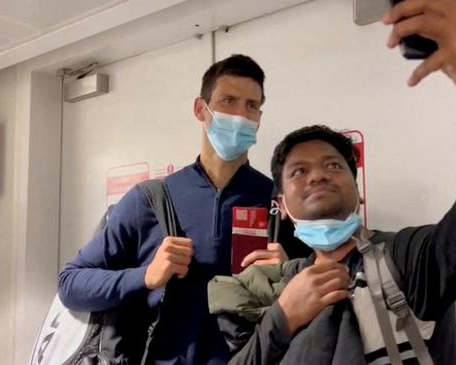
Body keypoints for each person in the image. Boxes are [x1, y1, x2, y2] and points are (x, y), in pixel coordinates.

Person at [207, 1, 456, 364]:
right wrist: (283, 317)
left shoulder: (404, 260)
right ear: (283, 206)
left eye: (333, 165)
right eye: (298, 171)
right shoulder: (282, 286)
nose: (318, 174)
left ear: (357, 192)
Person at [59, 54, 306, 365]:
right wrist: (146, 277)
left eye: (251, 106)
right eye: (228, 101)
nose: (240, 115)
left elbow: (325, 290)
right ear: (200, 109)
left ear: (259, 118)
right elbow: (71, 284)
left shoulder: (280, 203)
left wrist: (290, 273)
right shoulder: (150, 199)